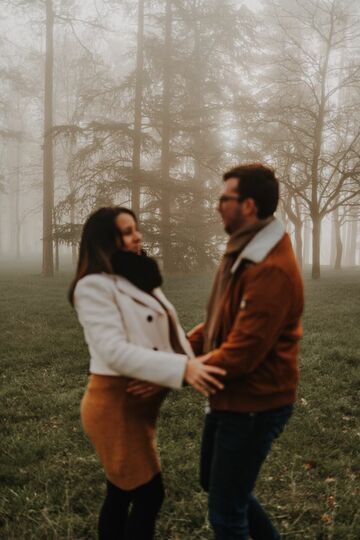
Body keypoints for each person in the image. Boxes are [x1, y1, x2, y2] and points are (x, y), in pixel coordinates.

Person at [68, 206, 225, 540]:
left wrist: (184, 360)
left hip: (140, 404)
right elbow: (113, 351)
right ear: (104, 241)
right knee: (149, 494)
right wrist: (183, 368)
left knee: (121, 491)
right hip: (114, 404)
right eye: (127, 231)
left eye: (136, 229)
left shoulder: (139, 277)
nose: (137, 236)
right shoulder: (92, 286)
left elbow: (169, 335)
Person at [188, 163, 304, 540]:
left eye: (225, 199)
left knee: (226, 513)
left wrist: (180, 368)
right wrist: (182, 345)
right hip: (234, 398)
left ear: (249, 205)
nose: (217, 206)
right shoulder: (244, 246)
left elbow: (242, 352)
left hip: (256, 403)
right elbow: (226, 317)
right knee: (216, 484)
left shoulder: (270, 268)